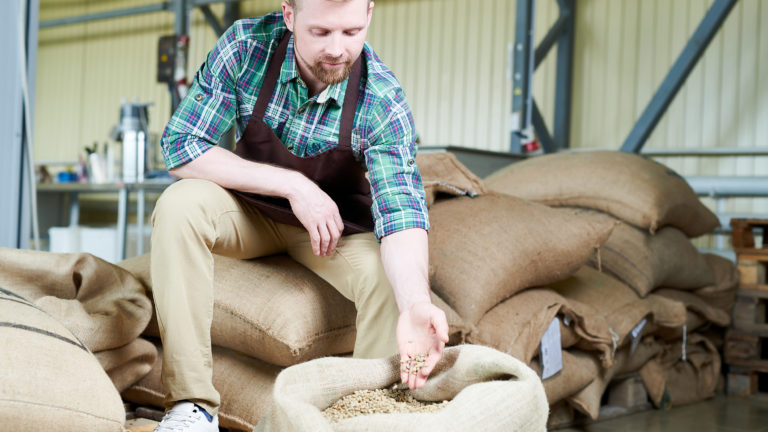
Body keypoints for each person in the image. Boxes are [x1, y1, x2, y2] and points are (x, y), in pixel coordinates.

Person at [150, 0, 449, 431]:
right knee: (179, 205)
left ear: (368, 15)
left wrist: (417, 303)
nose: (336, 49)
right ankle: (192, 407)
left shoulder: (382, 99)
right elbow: (181, 146)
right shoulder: (246, 47)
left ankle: (362, 415)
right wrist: (294, 186)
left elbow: (401, 211)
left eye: (350, 33)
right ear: (290, 16)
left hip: (335, 232)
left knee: (389, 279)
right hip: (250, 210)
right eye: (320, 33)